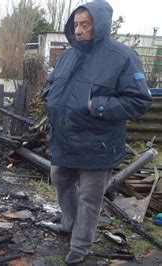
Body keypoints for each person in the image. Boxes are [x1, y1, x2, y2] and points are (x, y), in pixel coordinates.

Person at [44, 0, 152, 264]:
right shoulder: (70, 54)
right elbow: (54, 83)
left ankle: (81, 245)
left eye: (85, 25)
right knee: (60, 181)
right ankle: (69, 224)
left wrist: (97, 105)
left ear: (99, 26)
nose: (78, 31)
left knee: (89, 197)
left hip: (97, 143)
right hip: (65, 138)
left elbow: (140, 100)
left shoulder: (122, 57)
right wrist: (49, 96)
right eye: (76, 25)